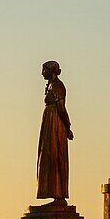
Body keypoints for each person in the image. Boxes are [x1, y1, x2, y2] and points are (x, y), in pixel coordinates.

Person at [36, 60, 73, 202]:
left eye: (44, 70)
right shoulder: (52, 85)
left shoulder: (58, 86)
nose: (42, 73)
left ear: (51, 71)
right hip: (50, 123)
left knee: (55, 155)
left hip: (55, 124)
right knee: (48, 156)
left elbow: (62, 109)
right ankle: (54, 193)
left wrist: (68, 126)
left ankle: (59, 195)